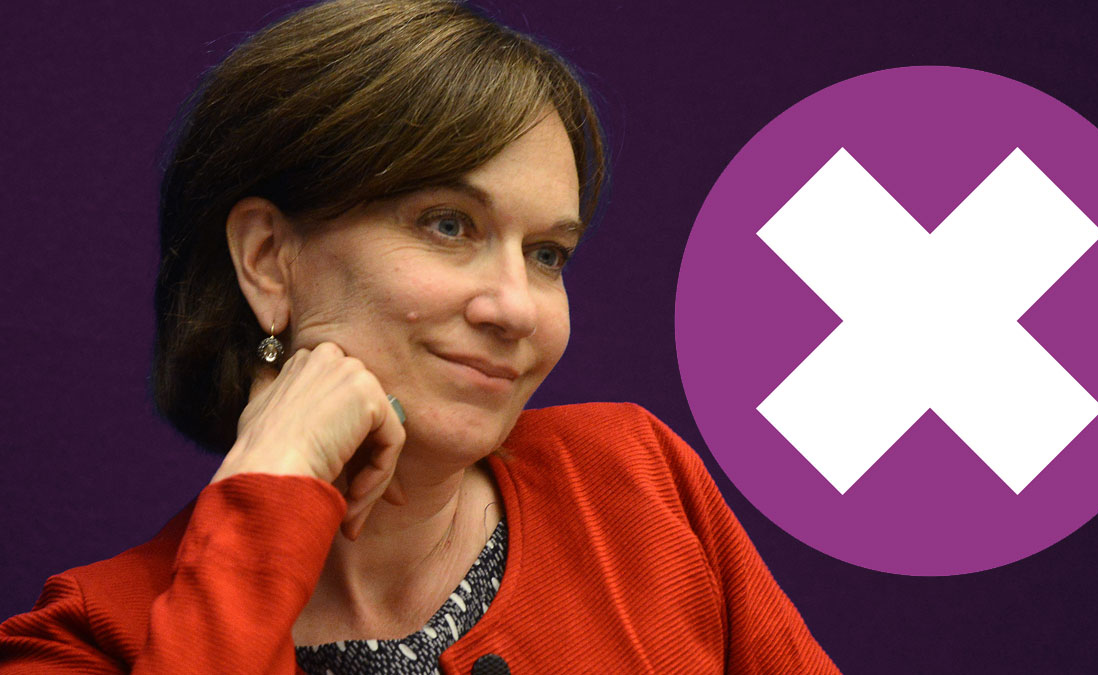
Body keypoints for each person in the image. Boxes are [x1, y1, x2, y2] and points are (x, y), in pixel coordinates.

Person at [0, 0, 841, 672]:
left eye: (547, 254)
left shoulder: (639, 487)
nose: (516, 308)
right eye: (447, 224)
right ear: (267, 259)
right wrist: (270, 497)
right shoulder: (86, 639)